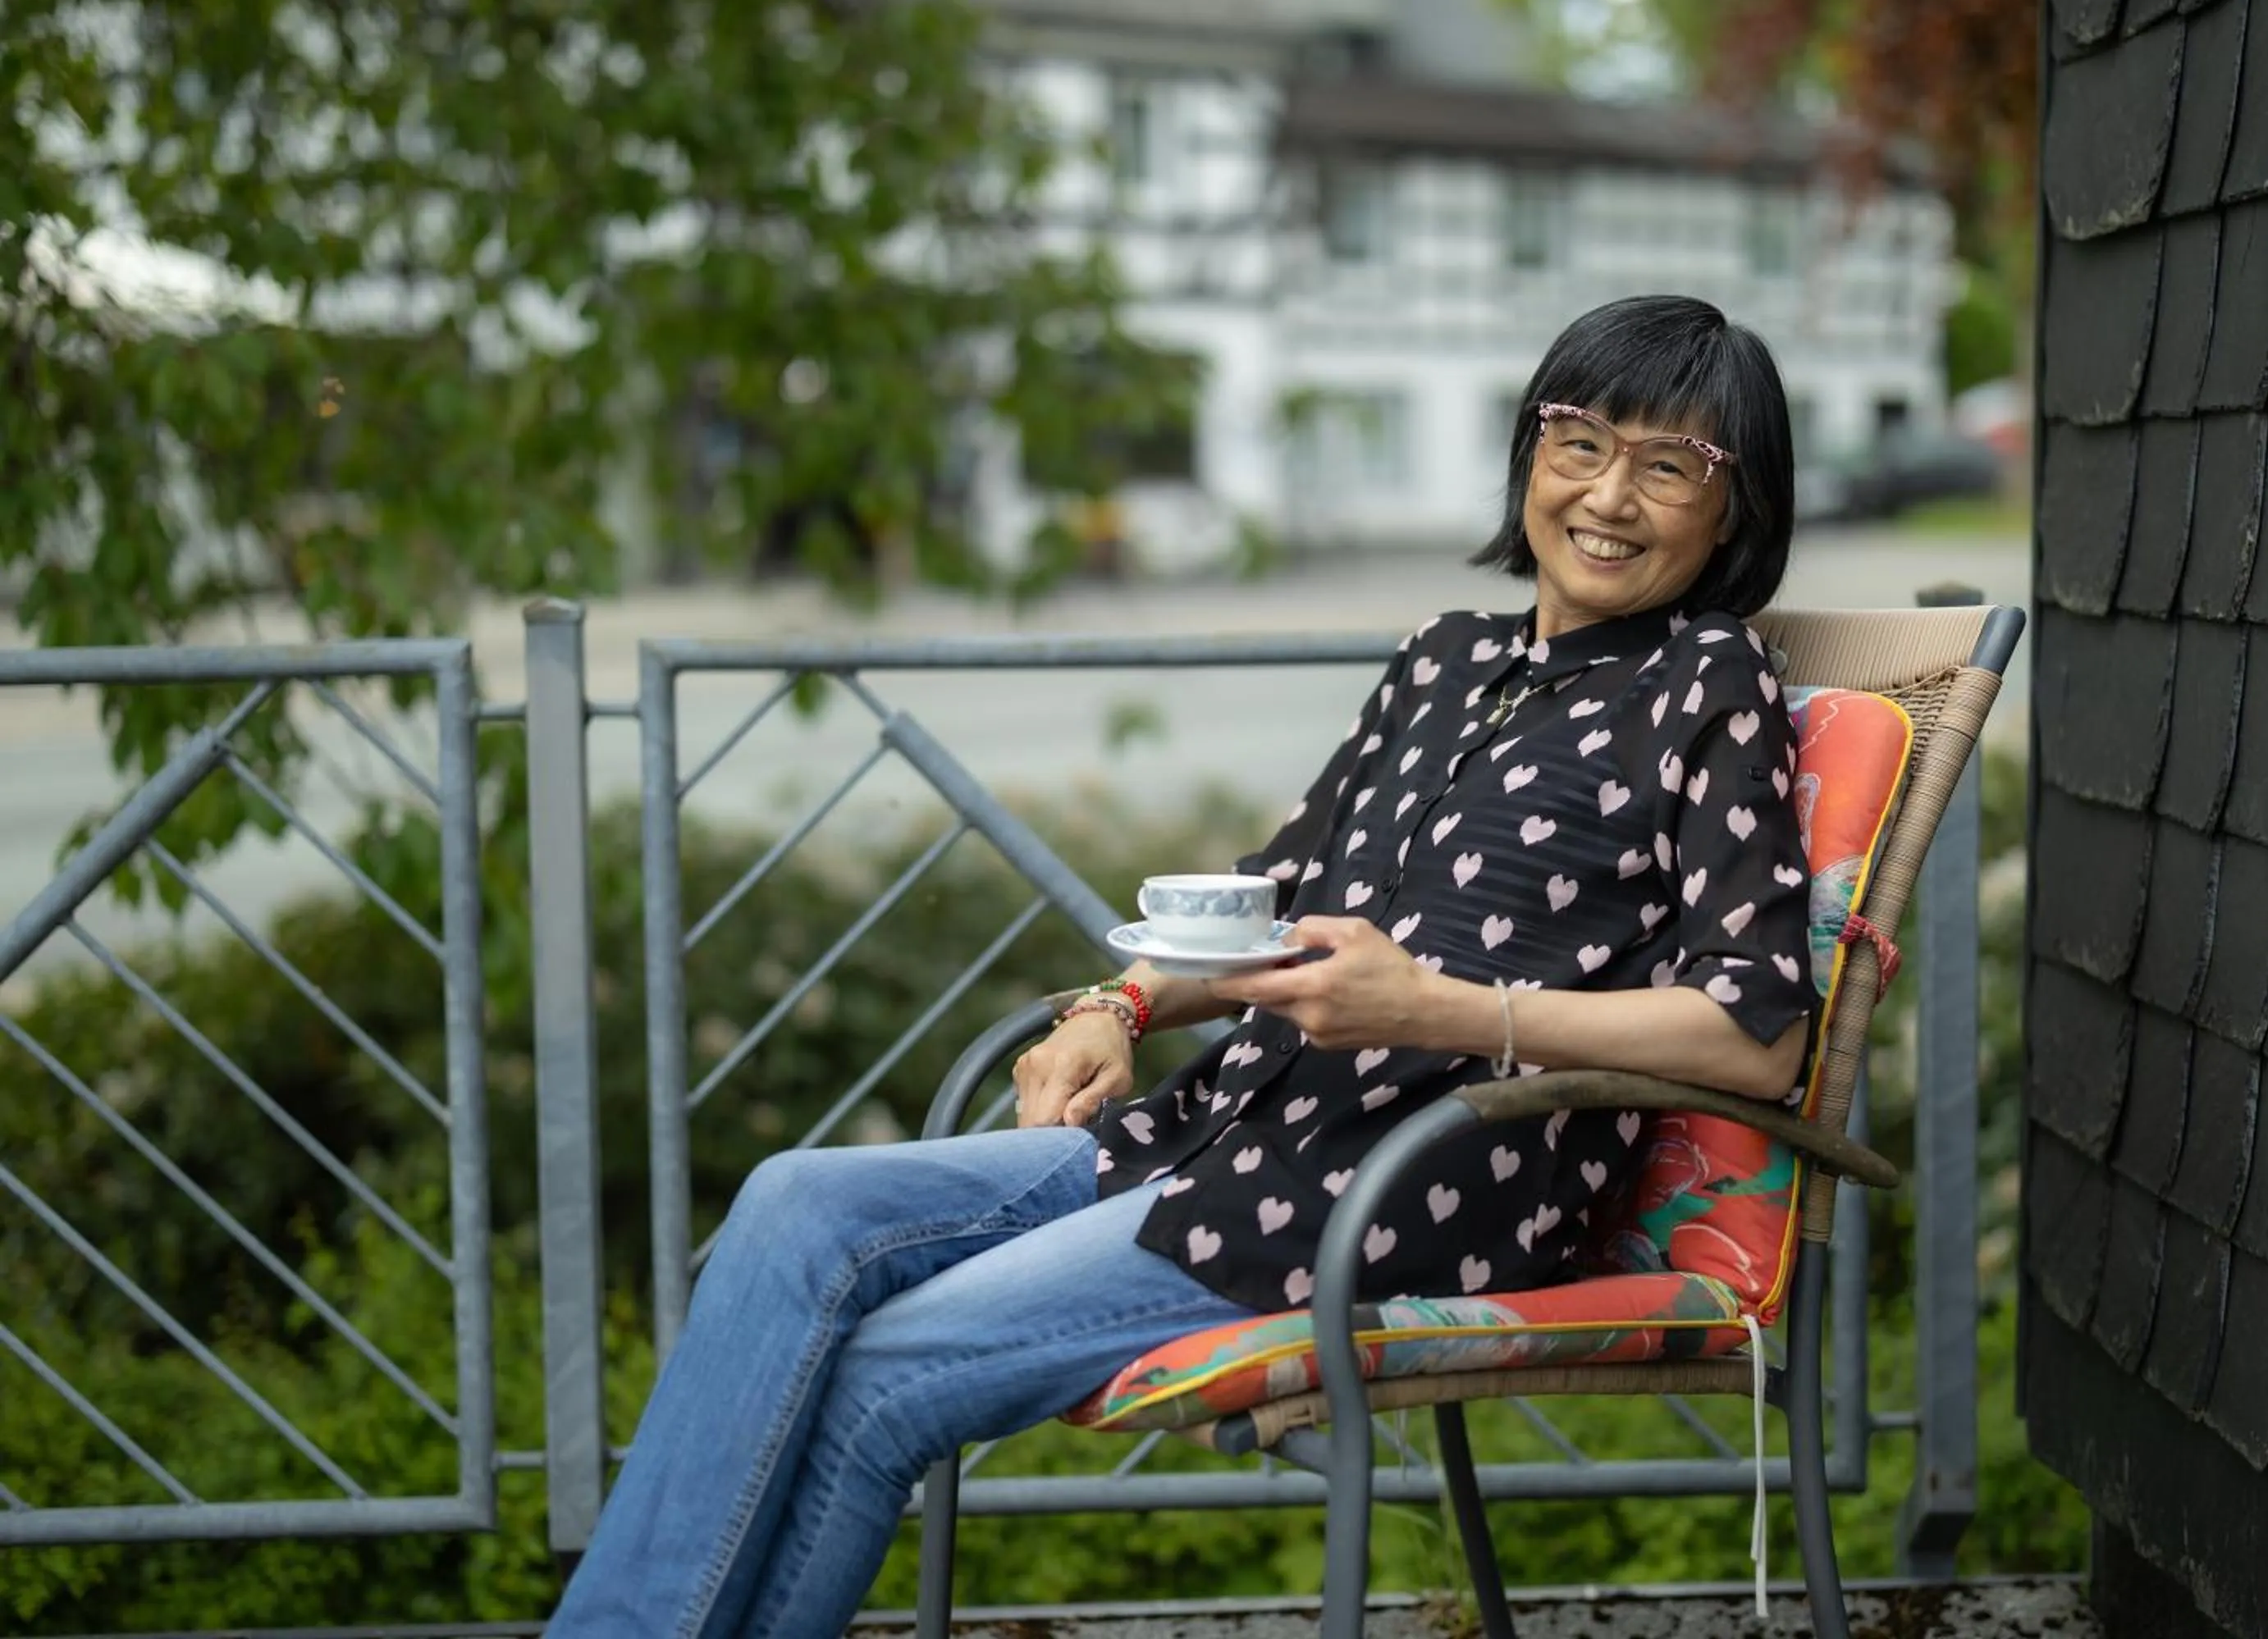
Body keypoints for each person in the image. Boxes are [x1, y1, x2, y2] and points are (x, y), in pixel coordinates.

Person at [546, 293, 1817, 1637]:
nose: (1609, 495)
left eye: (1671, 467)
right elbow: (1266, 905)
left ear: (1731, 515)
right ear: (1529, 456)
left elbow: (1759, 1037)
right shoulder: (1446, 659)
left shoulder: (1707, 682)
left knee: (884, 1375)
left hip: (1413, 1181)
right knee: (795, 1206)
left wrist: (1439, 1008)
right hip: (1227, 1132)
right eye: (1581, 444)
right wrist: (1122, 1004)